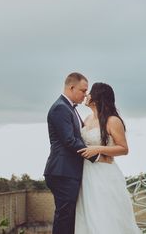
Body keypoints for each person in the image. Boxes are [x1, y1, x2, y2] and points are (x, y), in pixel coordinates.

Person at [73, 82, 141, 234]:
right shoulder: (87, 118)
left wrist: (98, 149)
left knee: (105, 214)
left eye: (89, 92)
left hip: (104, 174)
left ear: (97, 98)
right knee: (87, 214)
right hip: (86, 173)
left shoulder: (113, 121)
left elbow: (124, 149)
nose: (86, 95)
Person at [44, 72, 98, 234]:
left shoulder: (69, 108)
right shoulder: (60, 108)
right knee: (65, 216)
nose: (85, 95)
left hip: (68, 171)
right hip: (62, 171)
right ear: (71, 87)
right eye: (83, 90)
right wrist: (95, 154)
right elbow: (69, 140)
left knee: (69, 216)